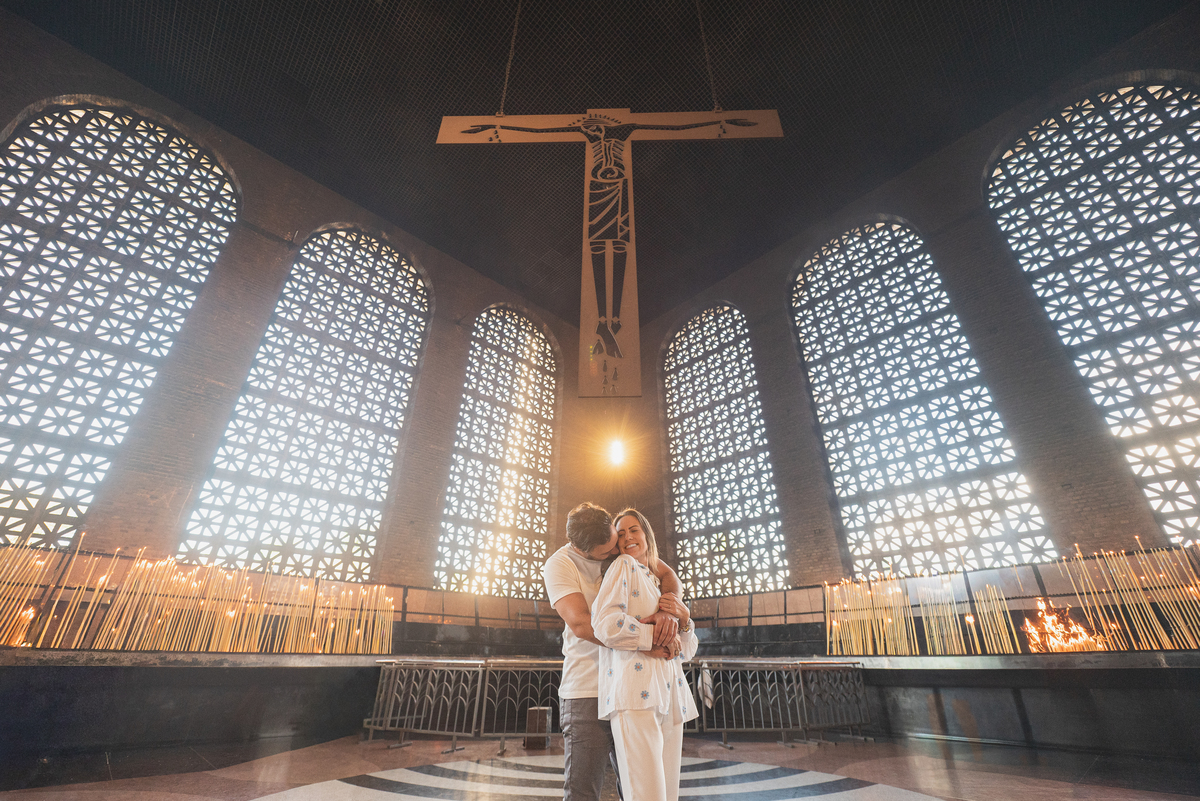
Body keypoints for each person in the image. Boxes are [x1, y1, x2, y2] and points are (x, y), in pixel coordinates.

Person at [543, 502, 685, 801]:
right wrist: (650, 640)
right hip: (588, 689)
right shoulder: (560, 564)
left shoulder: (620, 550)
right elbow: (582, 624)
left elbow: (667, 572)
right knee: (583, 792)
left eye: (615, 541)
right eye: (605, 552)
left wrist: (668, 608)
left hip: (628, 686)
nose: (615, 551)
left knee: (636, 788)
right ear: (581, 549)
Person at [592, 508, 698, 801]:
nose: (628, 537)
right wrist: (653, 638)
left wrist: (684, 620)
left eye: (634, 529)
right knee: (646, 796)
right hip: (635, 696)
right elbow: (605, 624)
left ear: (647, 535)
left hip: (670, 696)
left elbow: (686, 651)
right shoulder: (622, 566)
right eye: (621, 533)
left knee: (667, 796)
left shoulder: (658, 581)